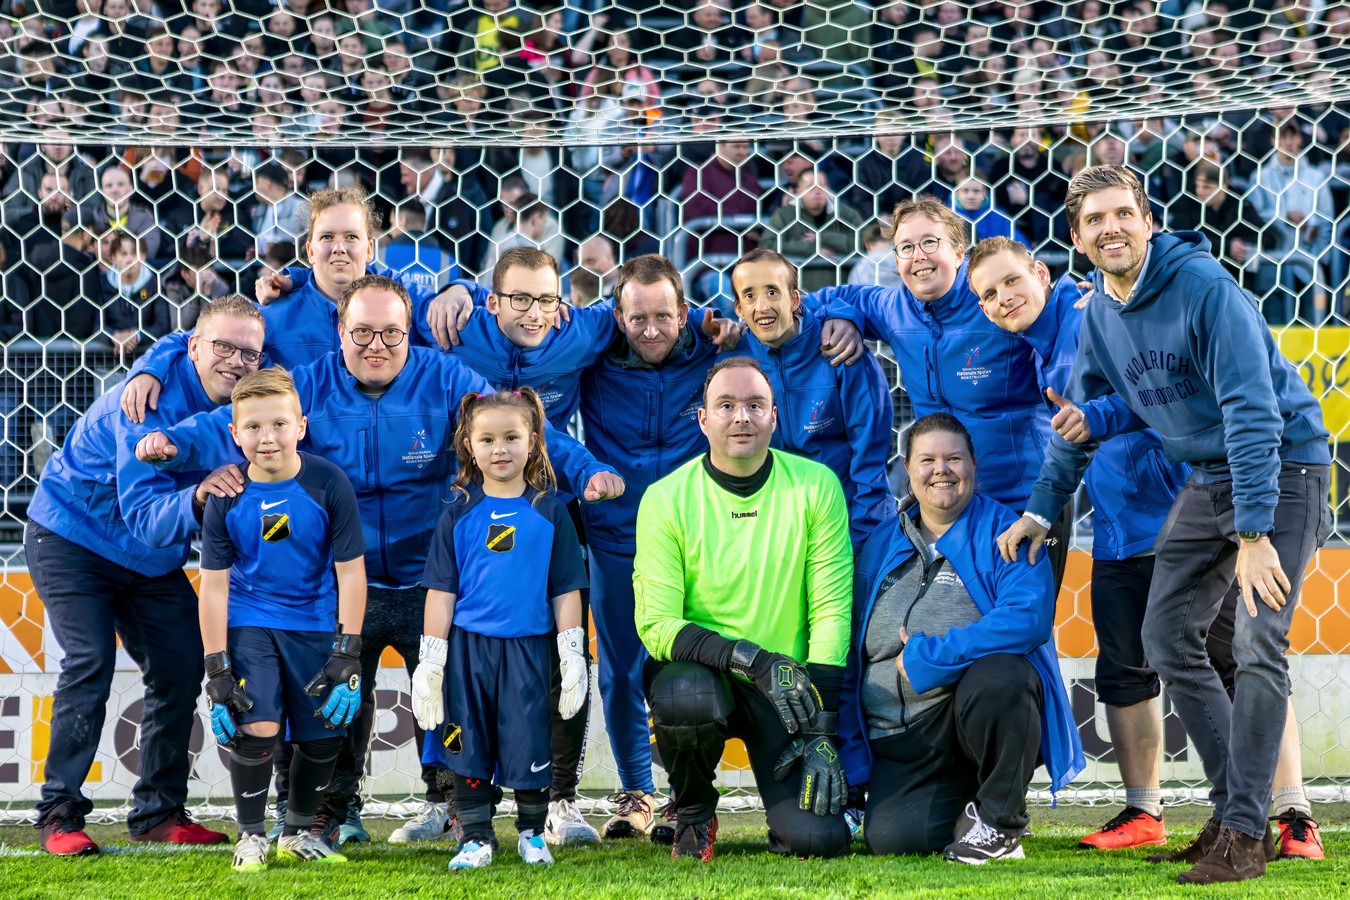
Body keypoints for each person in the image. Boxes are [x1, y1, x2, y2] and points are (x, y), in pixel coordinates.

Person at [130, 275, 623, 846]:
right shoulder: (308, 386)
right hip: (344, 582)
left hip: (432, 581)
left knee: (449, 692)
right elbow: (235, 419)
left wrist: (586, 471)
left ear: (409, 333)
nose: (376, 345)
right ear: (339, 332)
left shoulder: (447, 380)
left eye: (391, 332)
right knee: (330, 694)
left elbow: (517, 424)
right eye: (361, 332)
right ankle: (331, 811)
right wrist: (175, 444)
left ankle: (454, 803)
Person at [1001, 165, 1331, 885]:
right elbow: (1087, 414)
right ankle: (1230, 814)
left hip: (1282, 471)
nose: (1110, 228)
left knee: (1256, 642)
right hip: (1209, 476)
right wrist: (1040, 506)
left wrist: (1251, 536)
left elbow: (1253, 412)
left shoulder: (1205, 290)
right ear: (1077, 237)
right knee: (1165, 636)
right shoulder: (1099, 314)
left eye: (1124, 213)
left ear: (1149, 222)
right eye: (1095, 220)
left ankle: (1250, 834)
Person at [24, 296, 268, 855]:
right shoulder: (144, 406)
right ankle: (59, 813)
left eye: (247, 351)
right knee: (88, 661)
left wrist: (152, 356)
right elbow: (146, 519)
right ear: (194, 347)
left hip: (149, 562)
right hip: (73, 537)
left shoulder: (251, 385)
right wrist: (202, 493)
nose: (234, 360)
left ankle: (158, 811)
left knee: (182, 666)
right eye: (222, 347)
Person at [634, 356, 852, 862]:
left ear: (775, 417)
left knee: (819, 842)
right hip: (706, 675)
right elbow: (658, 626)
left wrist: (822, 729)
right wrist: (754, 659)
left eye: (755, 405)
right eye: (726, 405)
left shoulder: (816, 486)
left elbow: (831, 610)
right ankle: (692, 813)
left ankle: (789, 818)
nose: (741, 417)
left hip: (788, 689)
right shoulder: (665, 499)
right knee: (683, 693)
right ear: (703, 418)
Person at [838, 413, 1081, 863]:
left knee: (1004, 675)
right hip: (900, 735)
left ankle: (1000, 824)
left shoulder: (1007, 532)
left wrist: (930, 656)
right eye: (927, 459)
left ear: (974, 467)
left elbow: (1028, 619)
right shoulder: (878, 544)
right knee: (893, 841)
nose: (941, 469)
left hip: (965, 722)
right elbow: (852, 651)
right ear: (907, 470)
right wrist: (851, 758)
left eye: (954, 458)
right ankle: (972, 809)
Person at [812, 196, 1072, 591]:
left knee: (1025, 628)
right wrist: (845, 318)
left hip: (1024, 500)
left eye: (930, 243)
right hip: (945, 505)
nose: (919, 256)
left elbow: (1057, 307)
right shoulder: (893, 307)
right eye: (906, 247)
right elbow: (825, 300)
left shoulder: (995, 300)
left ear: (958, 249)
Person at [411, 389, 588, 869]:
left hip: (529, 651)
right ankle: (475, 837)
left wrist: (573, 653)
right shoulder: (456, 512)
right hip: (468, 654)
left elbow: (566, 590)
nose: (500, 449)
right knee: (465, 743)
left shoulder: (551, 511)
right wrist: (431, 661)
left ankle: (532, 833)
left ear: (533, 441)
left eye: (512, 437)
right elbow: (441, 592)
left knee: (529, 740)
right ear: (469, 445)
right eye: (487, 439)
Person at [197, 368, 367, 869]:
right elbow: (213, 586)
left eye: (278, 424)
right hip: (252, 622)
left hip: (314, 623)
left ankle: (296, 833)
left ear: (301, 425)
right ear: (235, 433)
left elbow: (352, 575)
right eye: (252, 427)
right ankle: (251, 837)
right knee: (262, 725)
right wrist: (216, 667)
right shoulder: (226, 495)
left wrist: (348, 651)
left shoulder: (327, 482)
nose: (266, 437)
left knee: (320, 733)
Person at [730, 249, 894, 549]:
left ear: (794, 299)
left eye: (772, 291)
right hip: (770, 536)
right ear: (738, 308)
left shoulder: (840, 349)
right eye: (750, 296)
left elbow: (870, 458)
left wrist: (863, 538)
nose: (763, 306)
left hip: (845, 525)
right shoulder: (732, 360)